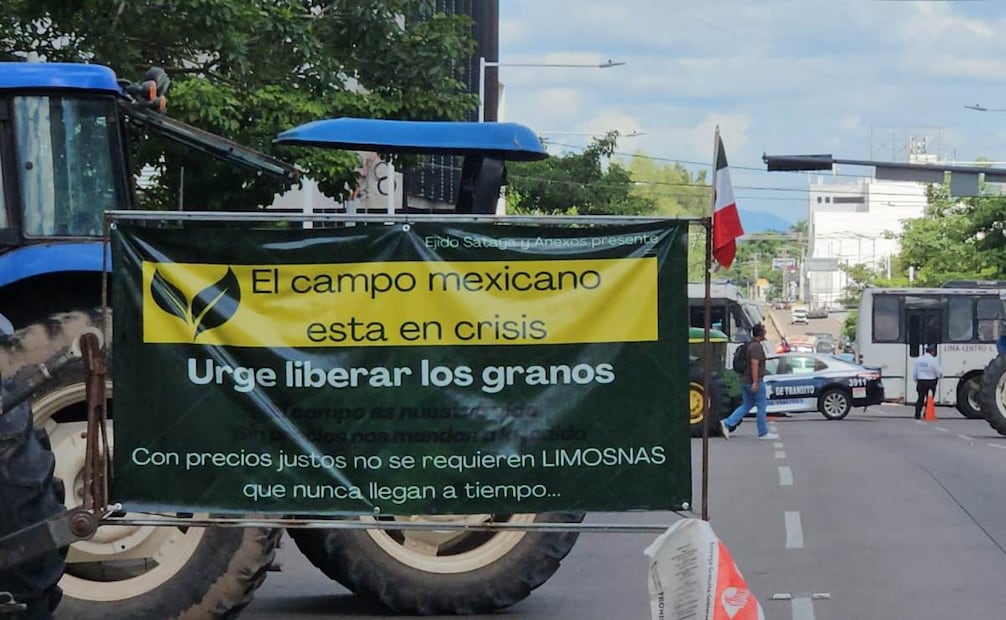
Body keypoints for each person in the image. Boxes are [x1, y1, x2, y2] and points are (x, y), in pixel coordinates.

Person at [720, 324, 779, 440]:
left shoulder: (749, 345)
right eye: (764, 331)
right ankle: (763, 432)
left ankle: (727, 423)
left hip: (744, 380)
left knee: (747, 404)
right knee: (762, 406)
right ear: (761, 334)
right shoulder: (756, 347)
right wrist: (755, 382)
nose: (765, 334)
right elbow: (754, 364)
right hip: (753, 380)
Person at [913, 344, 942, 419]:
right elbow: (938, 372)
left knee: (920, 398)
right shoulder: (933, 360)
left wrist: (917, 380)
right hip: (931, 382)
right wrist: (939, 377)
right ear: (932, 351)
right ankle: (927, 413)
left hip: (921, 381)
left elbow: (915, 373)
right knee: (929, 399)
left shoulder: (919, 359)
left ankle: (917, 414)